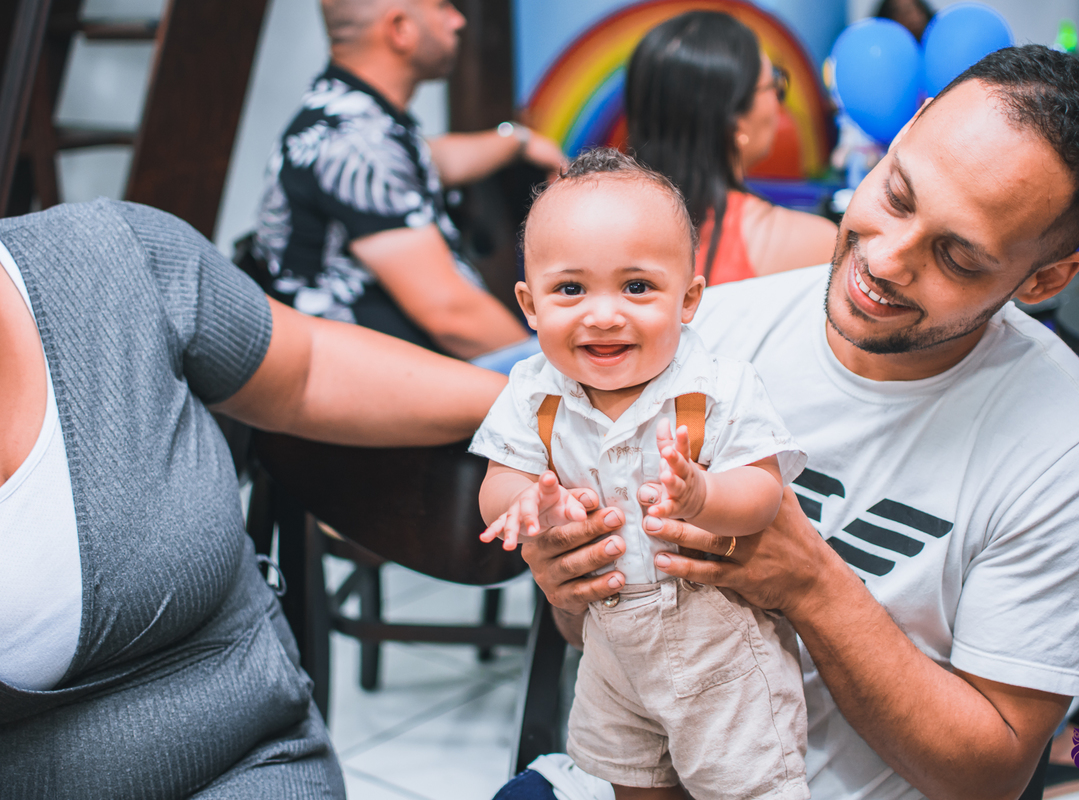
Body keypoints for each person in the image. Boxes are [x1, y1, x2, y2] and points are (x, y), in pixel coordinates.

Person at [499, 45, 1079, 800]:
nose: (889, 260)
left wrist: (810, 583)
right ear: (907, 129)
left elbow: (987, 774)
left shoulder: (1068, 455)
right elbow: (605, 628)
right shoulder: (703, 343)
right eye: (898, 195)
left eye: (958, 257)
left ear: (1043, 279)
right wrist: (573, 580)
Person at [0, 197, 505, 797]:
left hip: (248, 766)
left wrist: (549, 408)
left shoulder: (108, 254)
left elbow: (308, 369)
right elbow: (449, 308)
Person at [471, 149, 808, 800]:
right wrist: (529, 509)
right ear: (530, 304)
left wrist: (704, 494)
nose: (603, 314)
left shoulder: (717, 388)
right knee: (629, 782)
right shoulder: (532, 393)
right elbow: (499, 483)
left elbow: (764, 494)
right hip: (609, 646)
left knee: (749, 786)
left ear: (688, 299)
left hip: (717, 646)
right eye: (570, 289)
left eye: (636, 287)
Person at [253, 0, 566, 359]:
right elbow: (452, 316)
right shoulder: (359, 144)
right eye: (442, 7)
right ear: (400, 29)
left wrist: (518, 141)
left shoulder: (345, 115)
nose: (458, 21)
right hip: (367, 389)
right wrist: (558, 378)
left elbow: (432, 159)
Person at [625, 11, 838, 286]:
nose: (778, 103)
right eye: (775, 84)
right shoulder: (808, 244)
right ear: (735, 125)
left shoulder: (596, 225)